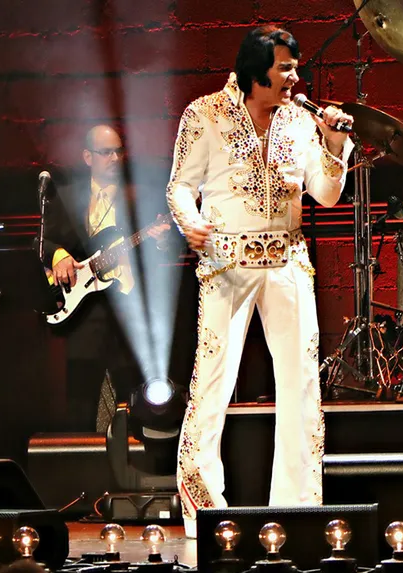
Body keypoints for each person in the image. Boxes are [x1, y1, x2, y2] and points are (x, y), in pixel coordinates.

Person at [165, 26, 354, 537]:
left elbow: (328, 194)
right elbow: (179, 187)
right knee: (212, 383)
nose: (295, 77)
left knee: (301, 382)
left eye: (295, 66)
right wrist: (190, 221)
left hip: (288, 261)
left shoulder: (300, 121)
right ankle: (201, 506)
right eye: (285, 68)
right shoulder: (204, 113)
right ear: (256, 71)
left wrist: (335, 144)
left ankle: (298, 505)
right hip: (227, 262)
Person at [41, 124, 171, 431]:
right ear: (88, 156)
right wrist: (58, 255)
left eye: (118, 151)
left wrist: (163, 241)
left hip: (129, 310)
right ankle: (82, 470)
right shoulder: (69, 194)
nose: (114, 158)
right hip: (86, 313)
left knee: (137, 397)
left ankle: (138, 469)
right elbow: (42, 241)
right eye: (105, 152)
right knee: (81, 402)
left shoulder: (141, 195)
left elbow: (165, 251)